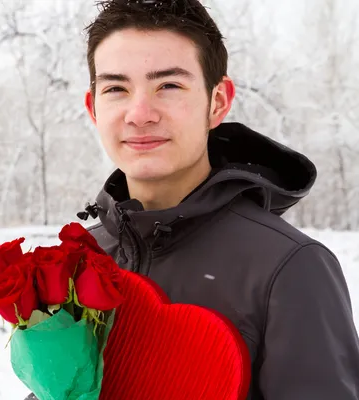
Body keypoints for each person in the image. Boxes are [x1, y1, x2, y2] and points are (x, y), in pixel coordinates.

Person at [25, 0, 359, 399]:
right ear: (93, 107)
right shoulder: (79, 260)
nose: (140, 113)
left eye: (168, 85)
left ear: (217, 101)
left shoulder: (288, 267)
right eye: (116, 88)